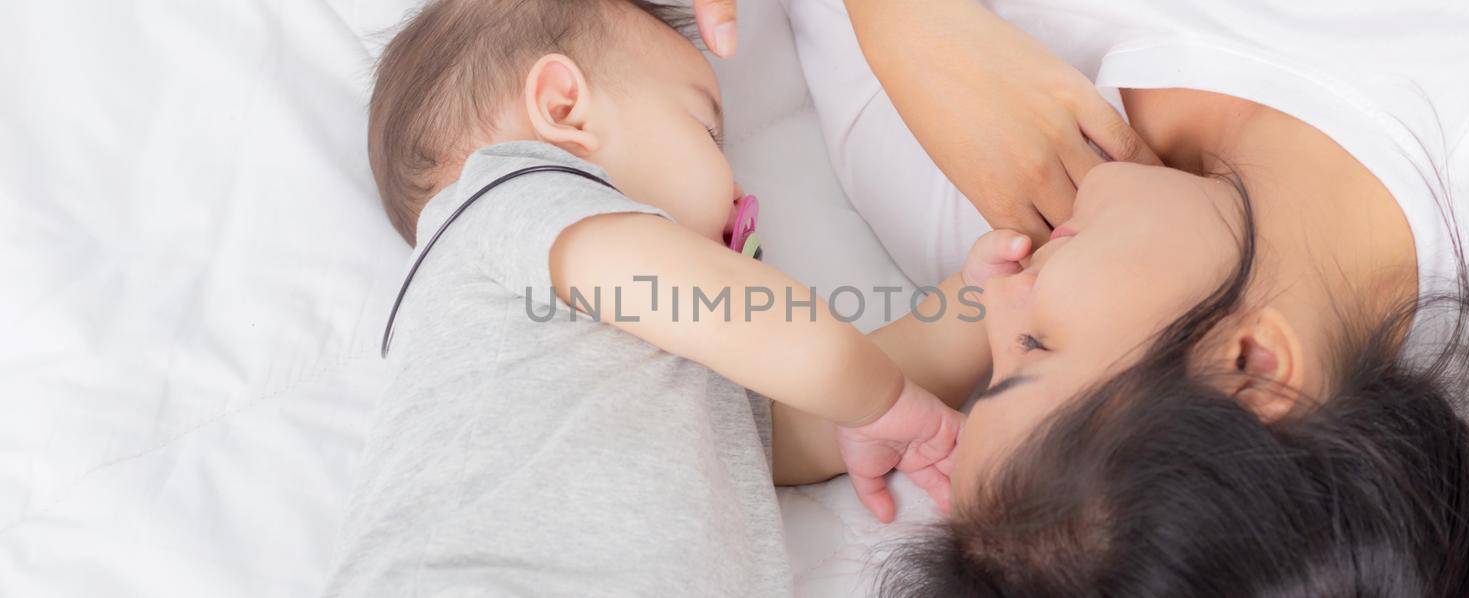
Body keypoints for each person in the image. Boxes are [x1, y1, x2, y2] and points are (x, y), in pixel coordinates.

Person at [776, 0, 1469, 593]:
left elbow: (767, 423)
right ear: (1250, 361)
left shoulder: (964, 202)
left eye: (985, 375)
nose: (1000, 298)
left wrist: (901, 25)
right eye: (1035, 348)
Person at [326, 0, 1026, 594]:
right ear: (565, 110)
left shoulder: (660, 326)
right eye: (706, 128)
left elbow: (792, 428)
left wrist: (977, 306)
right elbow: (760, 327)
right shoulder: (506, 195)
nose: (743, 192)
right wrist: (881, 401)